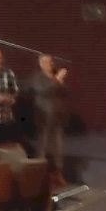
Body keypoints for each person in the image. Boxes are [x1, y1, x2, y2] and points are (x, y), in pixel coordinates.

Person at [30, 54, 69, 187]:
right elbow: (43, 91)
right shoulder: (38, 78)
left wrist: (60, 82)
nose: (51, 64)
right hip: (44, 118)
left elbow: (65, 93)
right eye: (47, 62)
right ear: (41, 64)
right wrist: (57, 79)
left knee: (58, 148)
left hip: (57, 118)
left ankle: (57, 174)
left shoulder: (54, 77)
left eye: (51, 62)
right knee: (43, 147)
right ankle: (39, 176)